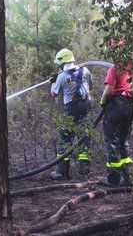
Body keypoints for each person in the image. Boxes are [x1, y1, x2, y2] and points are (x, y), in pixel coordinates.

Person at [98, 51, 133, 187]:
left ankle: (113, 179)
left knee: (112, 141)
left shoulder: (115, 69)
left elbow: (108, 91)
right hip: (129, 106)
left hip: (115, 106)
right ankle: (129, 177)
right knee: (124, 141)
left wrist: (102, 101)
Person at [50, 48, 93, 179]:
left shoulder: (62, 76)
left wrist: (53, 82)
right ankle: (84, 171)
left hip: (71, 110)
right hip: (86, 108)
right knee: (84, 138)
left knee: (65, 140)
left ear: (63, 63)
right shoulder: (85, 71)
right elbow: (90, 87)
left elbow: (54, 93)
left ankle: (61, 172)